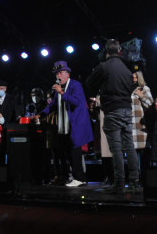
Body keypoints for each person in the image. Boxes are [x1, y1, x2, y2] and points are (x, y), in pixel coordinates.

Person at [86, 39, 140, 193]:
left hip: (112, 110)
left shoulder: (104, 67)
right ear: (119, 51)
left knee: (116, 148)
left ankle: (119, 183)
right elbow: (131, 88)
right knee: (129, 147)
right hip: (126, 110)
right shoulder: (126, 69)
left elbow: (89, 84)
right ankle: (135, 182)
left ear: (106, 52)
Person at [41, 61, 93, 187]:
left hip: (76, 124)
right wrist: (41, 114)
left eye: (60, 73)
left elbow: (76, 102)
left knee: (75, 152)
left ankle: (80, 178)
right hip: (64, 125)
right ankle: (75, 177)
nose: (58, 76)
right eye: (57, 74)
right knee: (68, 152)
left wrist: (62, 93)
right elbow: (53, 105)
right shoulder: (59, 88)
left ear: (68, 74)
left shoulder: (76, 85)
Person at [0, 80, 18, 162]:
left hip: (8, 130)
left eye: (1, 88)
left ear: (5, 89)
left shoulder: (11, 99)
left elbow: (16, 115)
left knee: (7, 156)